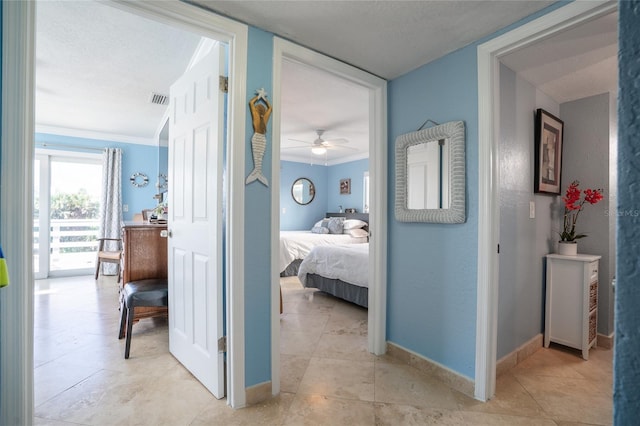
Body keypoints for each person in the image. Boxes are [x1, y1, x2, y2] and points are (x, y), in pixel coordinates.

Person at [246, 90, 272, 186]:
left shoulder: (255, 116)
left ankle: (257, 171)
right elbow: (270, 108)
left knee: (257, 157)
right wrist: (265, 99)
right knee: (259, 157)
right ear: (263, 111)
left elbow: (251, 103)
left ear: (256, 110)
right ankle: (258, 171)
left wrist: (259, 96)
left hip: (256, 137)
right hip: (263, 139)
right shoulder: (265, 118)